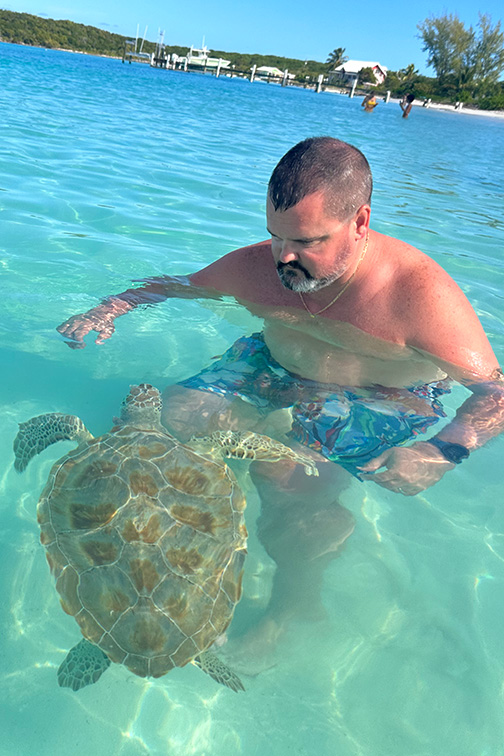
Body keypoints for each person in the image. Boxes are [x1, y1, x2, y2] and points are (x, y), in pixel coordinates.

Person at [57, 137, 504, 667]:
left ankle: (294, 609)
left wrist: (443, 451)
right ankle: (155, 579)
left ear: (361, 221)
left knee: (289, 484)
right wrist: (111, 308)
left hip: (378, 394)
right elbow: (173, 287)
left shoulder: (419, 294)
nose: (282, 257)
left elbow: (496, 391)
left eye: (307, 241)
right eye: (274, 236)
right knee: (177, 419)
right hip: (271, 364)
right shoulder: (260, 266)